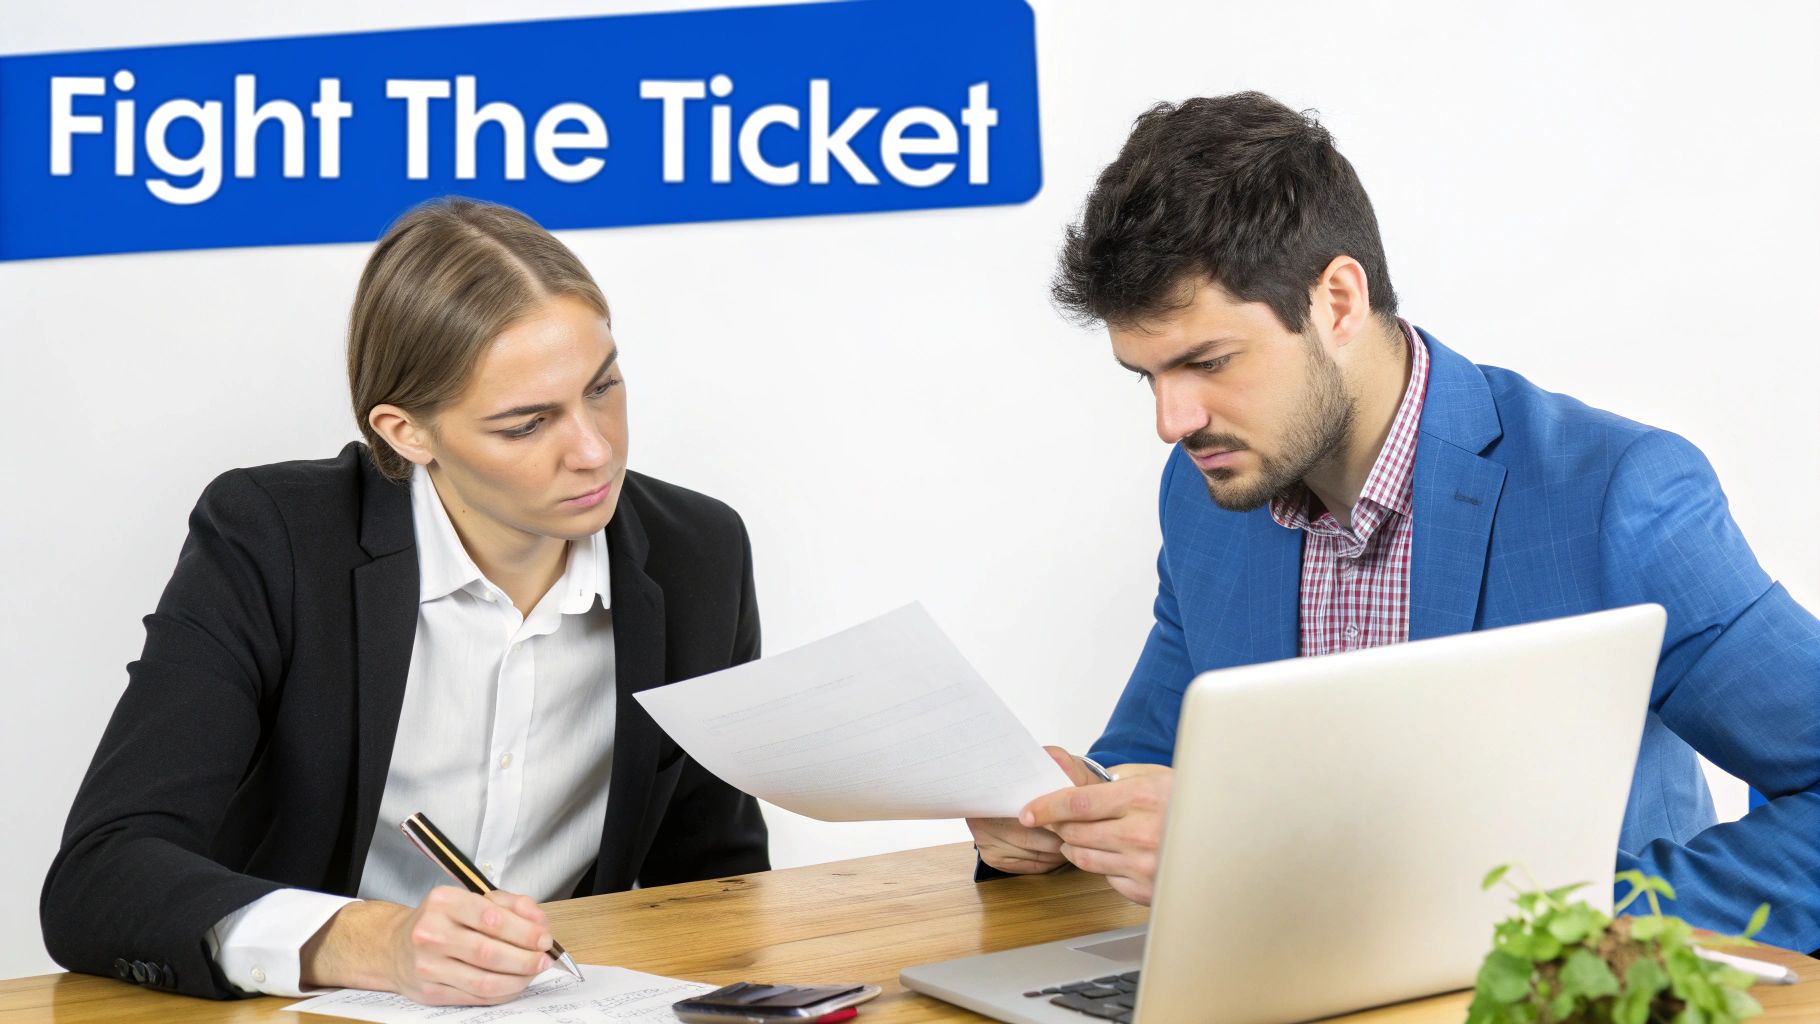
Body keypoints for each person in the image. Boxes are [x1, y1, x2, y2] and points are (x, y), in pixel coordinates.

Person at [967, 92, 1820, 954]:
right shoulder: (1205, 497)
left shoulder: (1612, 496)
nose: (1172, 420)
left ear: (1338, 301)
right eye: (1144, 376)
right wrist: (1065, 813)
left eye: (1209, 362)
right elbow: (1158, 756)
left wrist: (1581, 929)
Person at [40, 198, 769, 1002]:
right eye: (527, 425)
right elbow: (101, 874)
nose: (594, 449)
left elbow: (713, 878)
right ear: (405, 431)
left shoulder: (699, 553)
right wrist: (369, 943)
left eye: (603, 388)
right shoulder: (272, 538)